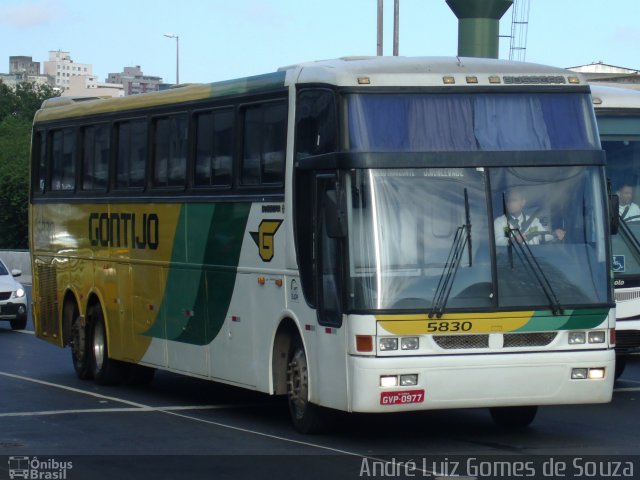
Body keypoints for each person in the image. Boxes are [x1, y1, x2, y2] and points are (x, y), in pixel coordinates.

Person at [494, 189, 566, 247]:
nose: (510, 203)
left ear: (523, 203)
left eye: (514, 200)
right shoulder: (499, 222)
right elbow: (497, 242)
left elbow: (543, 236)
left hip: (533, 261)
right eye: (508, 201)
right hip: (511, 260)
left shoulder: (533, 221)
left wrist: (555, 234)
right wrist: (513, 240)